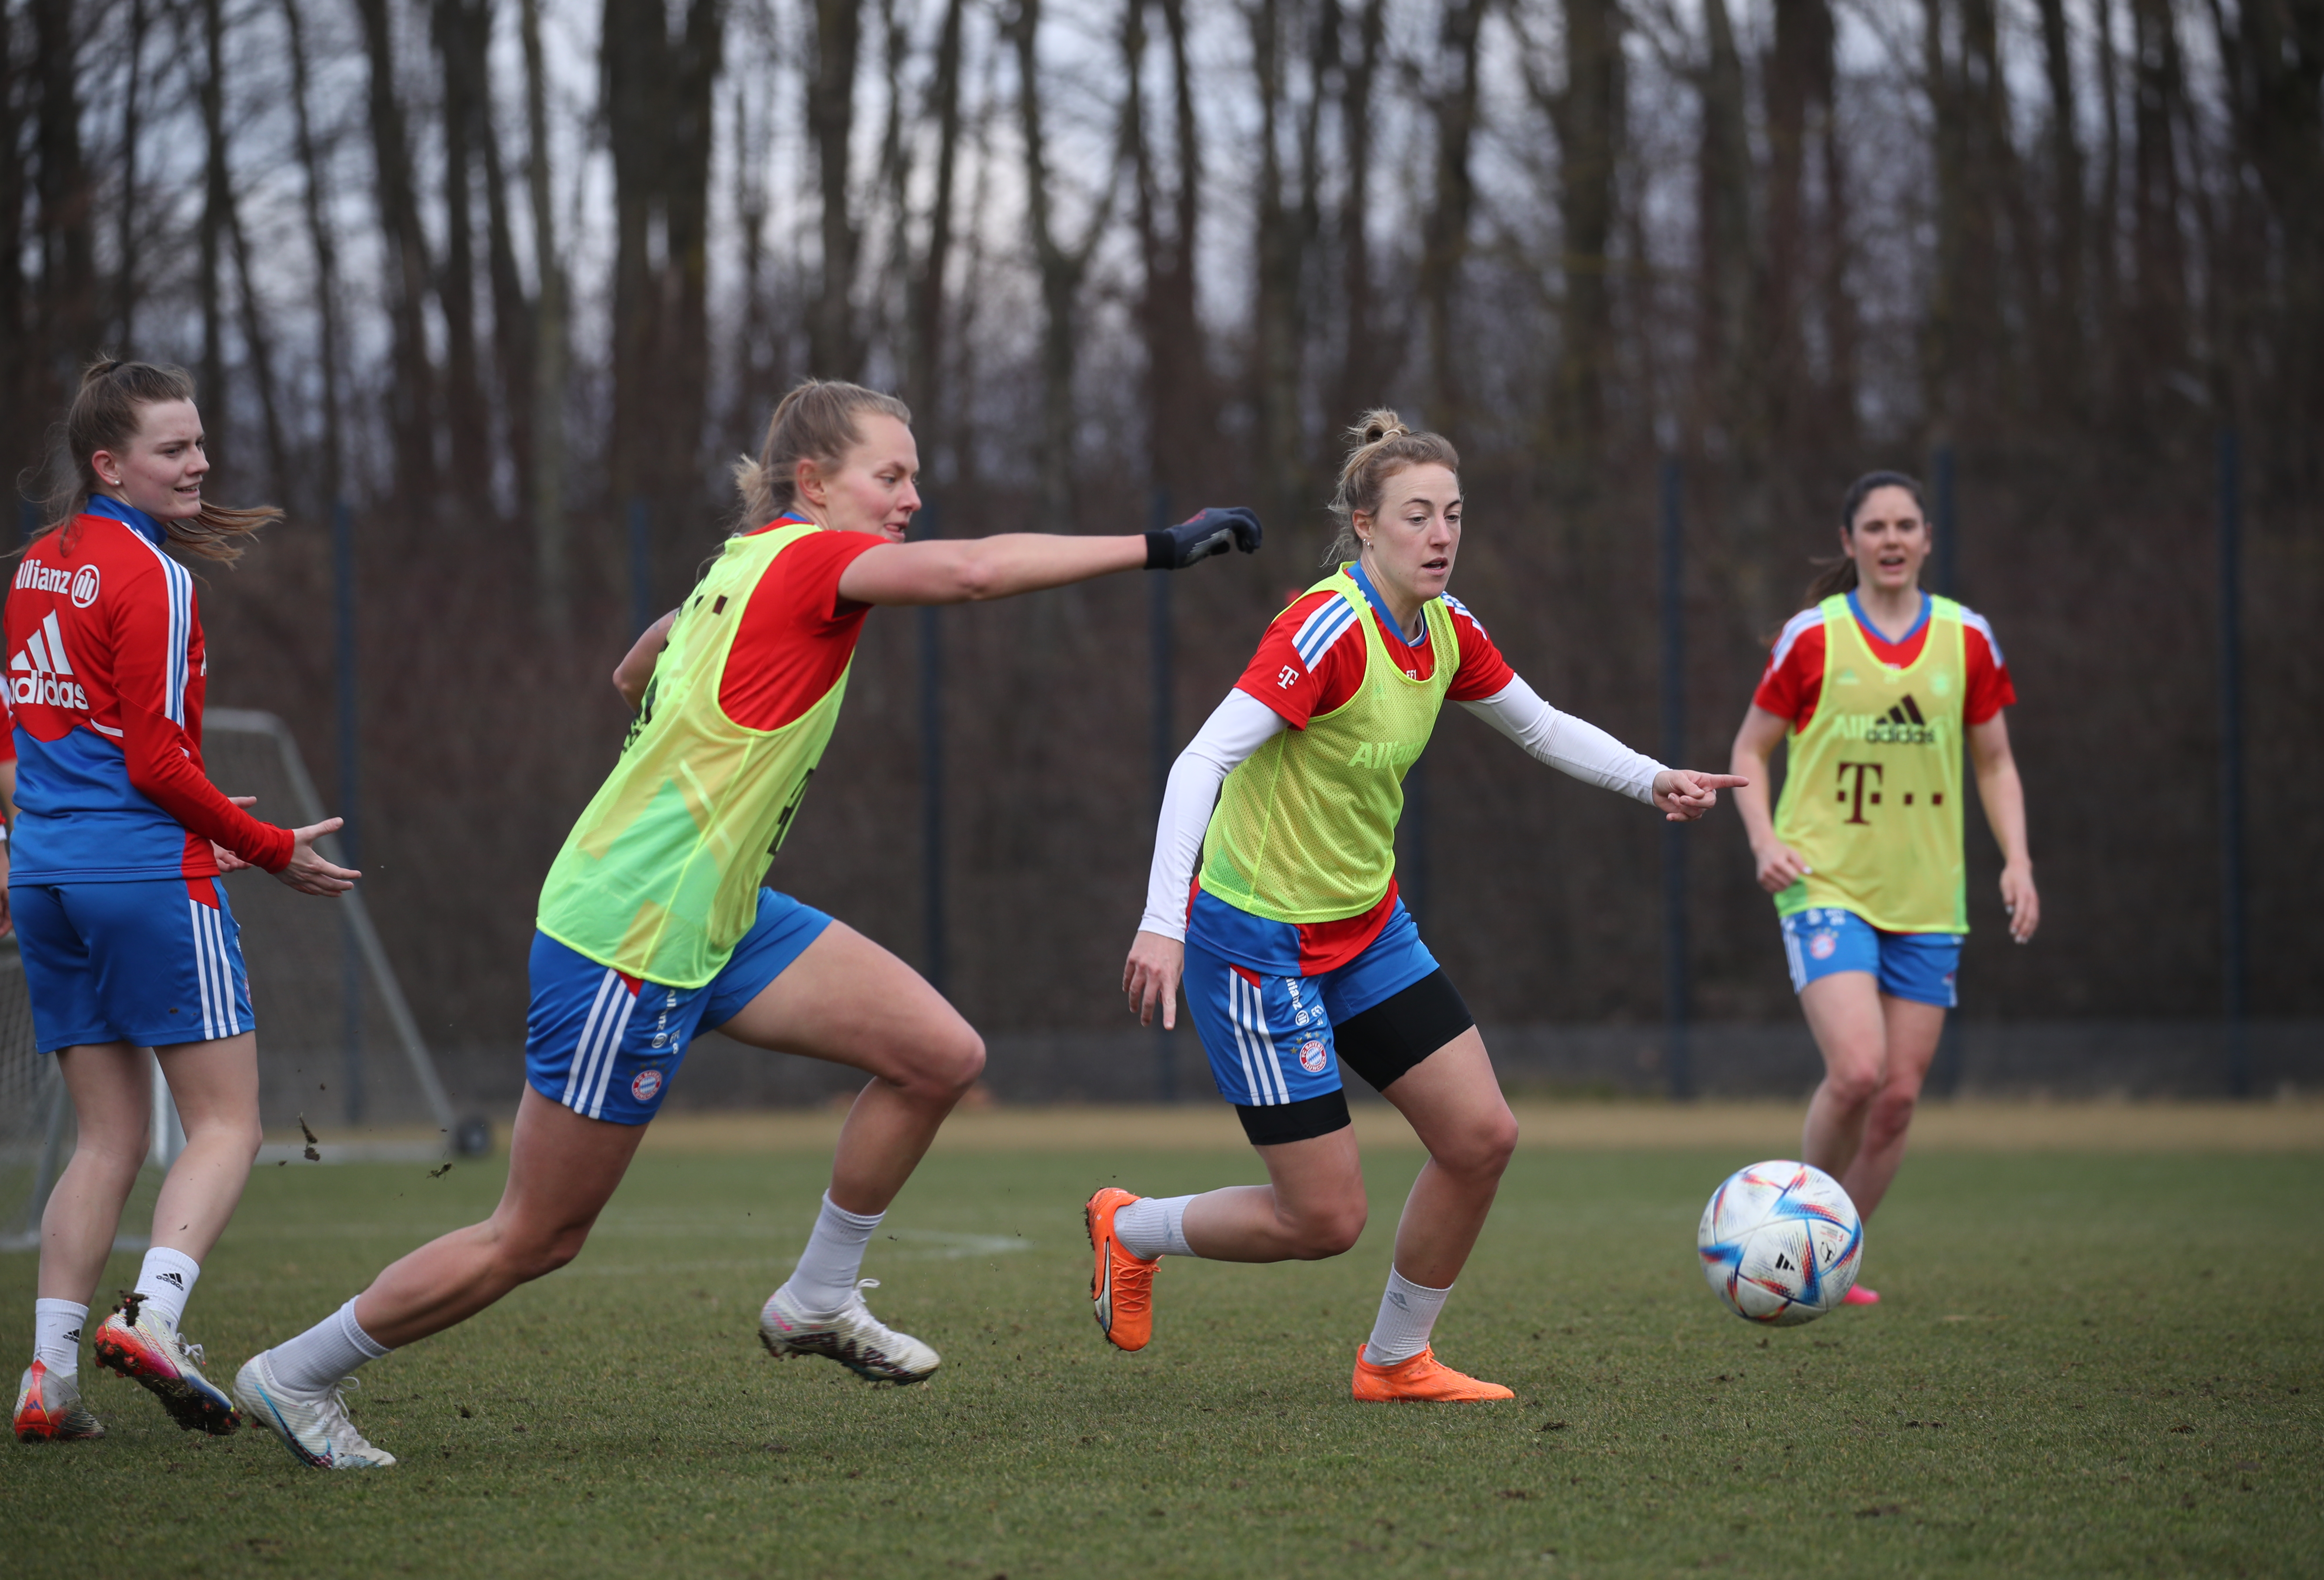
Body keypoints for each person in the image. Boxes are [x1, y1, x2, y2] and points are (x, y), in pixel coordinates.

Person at [236, 379, 1262, 1469]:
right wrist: (1160, 546)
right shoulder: (812, 559)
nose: (913, 497)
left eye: (915, 476)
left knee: (938, 1055)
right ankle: (296, 1375)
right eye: (893, 476)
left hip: (718, 916)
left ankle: (816, 1299)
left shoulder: (742, 562)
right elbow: (970, 573)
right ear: (815, 484)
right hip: (631, 937)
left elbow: (635, 662)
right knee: (535, 1236)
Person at [1095, 412, 1743, 1401]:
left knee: (1482, 1138)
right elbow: (1201, 761)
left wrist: (1652, 778)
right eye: (1416, 517)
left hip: (1367, 930)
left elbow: (1540, 725)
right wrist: (1162, 921)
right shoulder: (1326, 629)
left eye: (1452, 516)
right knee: (1323, 1221)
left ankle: (1396, 1359)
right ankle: (1128, 1228)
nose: (1440, 536)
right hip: (1257, 941)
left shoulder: (1446, 628)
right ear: (1366, 527)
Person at [10, 358, 357, 1445]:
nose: (199, 463)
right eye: (174, 448)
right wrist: (262, 847)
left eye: (200, 442)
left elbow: (33, 744)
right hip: (143, 878)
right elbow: (160, 766)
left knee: (104, 1140)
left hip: (46, 878)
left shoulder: (34, 566)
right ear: (108, 463)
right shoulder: (156, 579)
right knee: (230, 1125)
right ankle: (152, 1321)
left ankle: (47, 1383)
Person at [1726, 471, 2037, 1304]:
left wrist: (2018, 860)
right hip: (1826, 883)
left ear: (1927, 539)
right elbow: (1750, 751)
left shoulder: (1966, 639)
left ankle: (1828, 1258)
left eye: (1907, 525)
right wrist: (1765, 841)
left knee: (1898, 1099)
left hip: (1930, 898)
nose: (1892, 539)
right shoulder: (1814, 638)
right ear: (1851, 541)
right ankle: (1778, 1237)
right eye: (1876, 526)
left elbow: (1997, 759)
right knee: (1859, 1072)